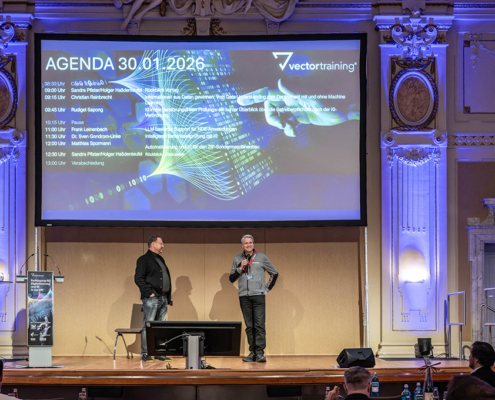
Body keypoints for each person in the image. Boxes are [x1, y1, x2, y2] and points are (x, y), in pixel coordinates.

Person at [229, 234, 278, 363]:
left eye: (250, 242)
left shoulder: (262, 257)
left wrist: (266, 289)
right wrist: (240, 268)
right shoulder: (237, 259)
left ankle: (260, 353)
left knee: (259, 325)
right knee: (249, 326)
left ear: (253, 244)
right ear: (242, 245)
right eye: (246, 243)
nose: (249, 245)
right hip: (244, 296)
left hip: (258, 296)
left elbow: (274, 273)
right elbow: (231, 278)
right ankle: (252, 353)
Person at [135, 235, 173, 362]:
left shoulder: (160, 259)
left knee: (161, 326)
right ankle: (146, 353)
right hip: (152, 299)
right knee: (148, 325)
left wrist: (168, 297)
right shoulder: (143, 259)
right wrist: (149, 293)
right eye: (161, 243)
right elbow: (138, 278)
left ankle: (159, 352)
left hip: (163, 298)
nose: (163, 246)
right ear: (153, 244)